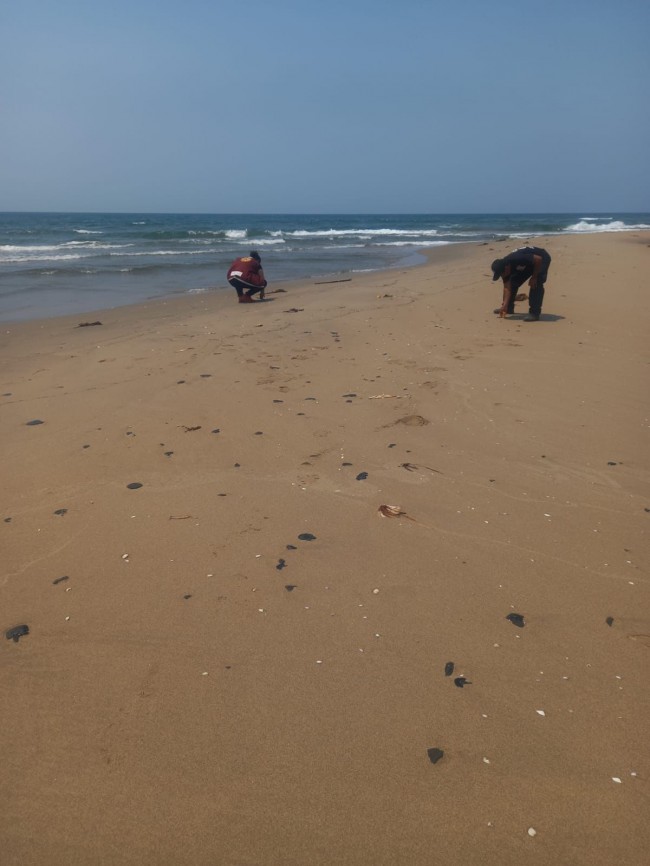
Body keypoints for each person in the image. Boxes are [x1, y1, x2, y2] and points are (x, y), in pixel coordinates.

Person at [491, 246, 551, 321]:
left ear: (506, 268)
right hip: (527, 264)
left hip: (541, 258)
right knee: (512, 283)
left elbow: (538, 259)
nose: (502, 276)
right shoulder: (503, 268)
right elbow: (507, 288)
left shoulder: (517, 258)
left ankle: (534, 313)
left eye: (501, 274)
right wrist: (504, 304)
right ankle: (507, 308)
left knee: (536, 283)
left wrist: (534, 277)